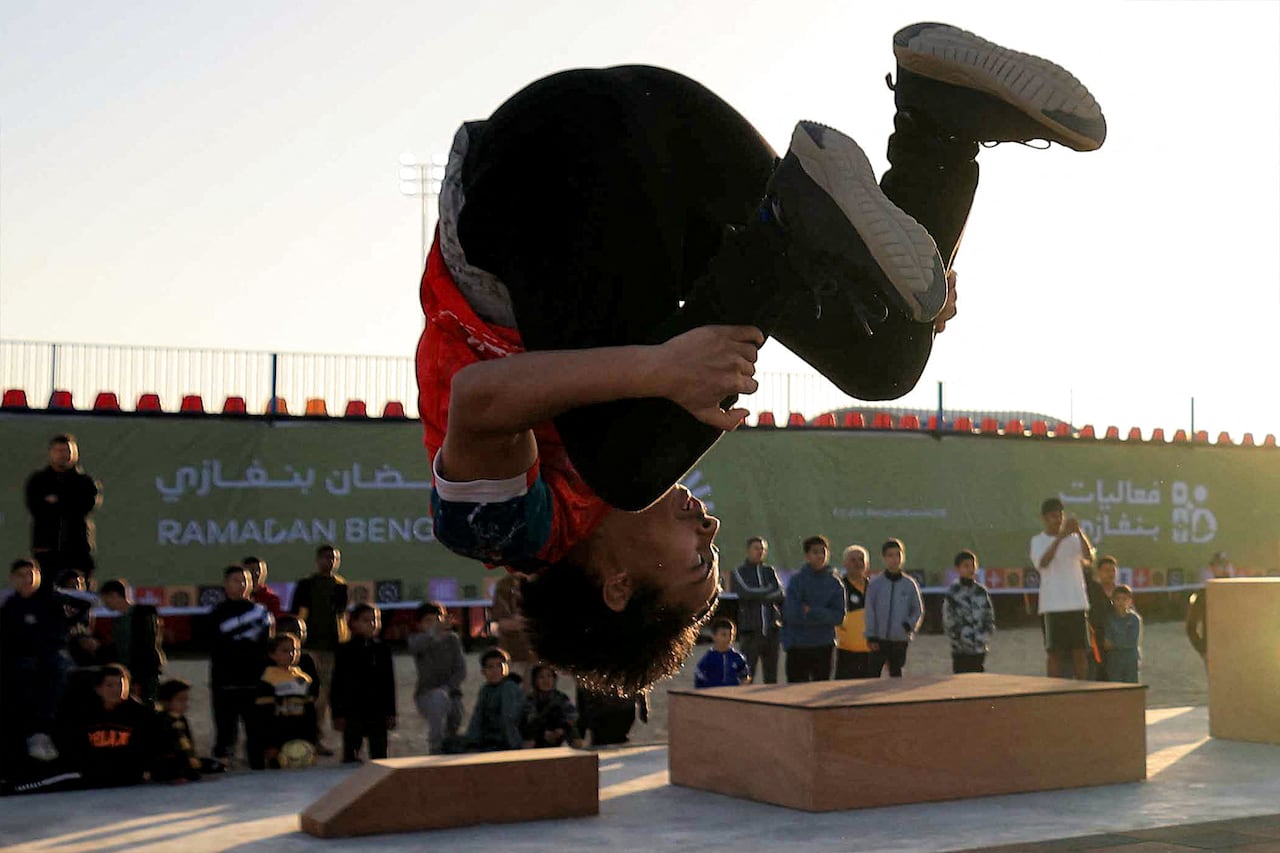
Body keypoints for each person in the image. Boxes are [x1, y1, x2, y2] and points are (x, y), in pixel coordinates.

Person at [417, 27, 1106, 696]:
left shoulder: (513, 535)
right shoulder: (638, 439)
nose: (713, 529)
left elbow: (478, 399)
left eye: (699, 562)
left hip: (538, 170)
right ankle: (938, 121)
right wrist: (903, 286)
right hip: (678, 146)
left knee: (627, 465)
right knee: (885, 356)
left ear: (619, 585)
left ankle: (793, 228)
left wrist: (658, 369)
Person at [0, 558, 69, 768]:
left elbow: (58, 635)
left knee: (53, 667)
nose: (27, 579)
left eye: (31, 574)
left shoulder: (52, 602)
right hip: (18, 658)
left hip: (48, 657)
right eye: (21, 575)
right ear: (13, 579)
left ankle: (42, 732)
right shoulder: (10, 607)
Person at [209, 564, 273, 768]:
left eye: (246, 580)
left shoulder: (261, 613)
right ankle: (223, 767)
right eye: (236, 580)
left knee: (257, 731)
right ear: (226, 585)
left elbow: (265, 646)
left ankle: (257, 767)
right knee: (225, 733)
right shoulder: (215, 614)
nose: (242, 584)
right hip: (225, 683)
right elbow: (213, 646)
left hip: (254, 682)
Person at [291, 544, 348, 755]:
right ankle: (308, 738)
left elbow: (341, 617)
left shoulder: (340, 585)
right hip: (310, 647)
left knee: (324, 696)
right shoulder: (306, 584)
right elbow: (297, 614)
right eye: (326, 557)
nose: (330, 561)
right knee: (310, 695)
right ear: (318, 560)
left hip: (332, 647)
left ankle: (318, 738)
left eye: (334, 558)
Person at [61, 664, 155, 789]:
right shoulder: (83, 714)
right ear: (98, 689)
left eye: (120, 685)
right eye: (110, 685)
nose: (116, 690)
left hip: (128, 777)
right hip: (90, 775)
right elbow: (73, 746)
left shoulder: (140, 714)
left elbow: (149, 746)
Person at [1030, 497, 1093, 679]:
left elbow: (1089, 558)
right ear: (1044, 518)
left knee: (1080, 652)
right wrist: (1059, 539)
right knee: (1053, 653)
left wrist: (1079, 532)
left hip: (1076, 603)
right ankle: (1053, 692)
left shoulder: (1074, 539)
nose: (1057, 520)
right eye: (1052, 516)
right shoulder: (1038, 541)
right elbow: (1043, 562)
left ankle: (1082, 691)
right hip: (1052, 605)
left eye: (1060, 516)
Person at [24, 435, 102, 584]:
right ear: (51, 453)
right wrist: (68, 502)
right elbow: (36, 507)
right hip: (46, 548)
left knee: (79, 590)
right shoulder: (38, 481)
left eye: (66, 451)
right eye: (58, 451)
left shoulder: (85, 482)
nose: (62, 455)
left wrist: (58, 501)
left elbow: (86, 506)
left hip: (77, 548)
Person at [330, 604, 396, 762]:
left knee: (380, 756)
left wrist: (390, 712)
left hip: (377, 711)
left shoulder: (383, 649)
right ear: (353, 623)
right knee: (351, 755)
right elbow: (337, 684)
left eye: (375, 620)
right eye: (366, 620)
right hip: (352, 711)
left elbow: (389, 684)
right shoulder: (344, 650)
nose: (372, 624)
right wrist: (337, 714)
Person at [781, 536, 846, 682]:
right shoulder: (797, 581)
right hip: (797, 646)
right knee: (795, 693)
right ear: (807, 556)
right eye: (815, 552)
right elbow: (792, 614)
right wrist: (823, 616)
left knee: (820, 692)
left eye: (823, 552)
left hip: (824, 645)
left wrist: (811, 611)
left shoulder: (835, 583)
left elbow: (838, 617)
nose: (820, 556)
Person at [408, 601, 466, 754]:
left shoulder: (453, 639)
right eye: (429, 621)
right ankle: (435, 748)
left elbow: (461, 670)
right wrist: (434, 633)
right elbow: (416, 648)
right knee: (438, 700)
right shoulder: (417, 640)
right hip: (426, 695)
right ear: (419, 624)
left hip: (452, 693)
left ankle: (449, 747)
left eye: (437, 619)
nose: (434, 624)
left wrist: (449, 688)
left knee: (455, 718)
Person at [99, 579, 165, 706]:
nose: (105, 604)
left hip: (143, 675)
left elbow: (146, 647)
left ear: (114, 595)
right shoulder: (118, 622)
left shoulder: (143, 615)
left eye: (106, 599)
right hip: (128, 675)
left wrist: (138, 679)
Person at [255, 633, 318, 768]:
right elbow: (263, 716)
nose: (291, 654)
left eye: (295, 650)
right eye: (285, 650)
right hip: (278, 738)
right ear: (272, 654)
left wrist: (312, 739)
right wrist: (269, 743)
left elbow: (310, 713)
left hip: (301, 737)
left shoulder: (304, 678)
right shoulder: (268, 679)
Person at [864, 539, 924, 677]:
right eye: (890, 555)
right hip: (879, 639)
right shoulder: (875, 584)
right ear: (884, 558)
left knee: (896, 676)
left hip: (899, 639)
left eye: (898, 555)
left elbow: (918, 609)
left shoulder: (909, 584)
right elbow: (870, 611)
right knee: (872, 675)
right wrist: (871, 635)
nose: (894, 559)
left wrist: (909, 625)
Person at [450, 648, 524, 753]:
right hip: (488, 738)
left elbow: (509, 719)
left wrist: (515, 747)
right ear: (483, 671)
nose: (495, 670)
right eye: (490, 667)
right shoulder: (486, 690)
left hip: (505, 741)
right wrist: (472, 741)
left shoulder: (509, 687)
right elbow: (477, 717)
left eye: (499, 666)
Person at [731, 537, 783, 684]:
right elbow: (745, 592)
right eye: (756, 548)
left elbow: (779, 593)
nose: (760, 552)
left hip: (772, 633)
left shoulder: (769, 571)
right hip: (750, 633)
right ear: (748, 550)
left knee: (771, 678)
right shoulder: (739, 572)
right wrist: (767, 593)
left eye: (762, 549)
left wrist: (760, 595)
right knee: (747, 677)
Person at [152, 678, 223, 783]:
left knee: (214, 765)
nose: (185, 704)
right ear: (166, 701)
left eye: (186, 700)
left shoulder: (181, 719)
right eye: (180, 700)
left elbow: (188, 744)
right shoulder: (161, 721)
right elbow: (165, 749)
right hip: (170, 762)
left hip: (185, 760)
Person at [942, 550, 995, 674]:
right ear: (958, 569)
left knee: (978, 682)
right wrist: (956, 638)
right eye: (966, 566)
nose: (970, 569)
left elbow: (989, 614)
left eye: (973, 565)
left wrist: (986, 634)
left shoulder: (981, 591)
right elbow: (948, 618)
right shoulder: (953, 593)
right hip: (960, 648)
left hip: (979, 646)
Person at [522, 664, 584, 748]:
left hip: (560, 731)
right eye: (541, 677)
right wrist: (544, 732)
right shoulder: (531, 699)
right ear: (535, 681)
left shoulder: (560, 697)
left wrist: (562, 729)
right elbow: (530, 719)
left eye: (549, 676)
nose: (546, 680)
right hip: (539, 734)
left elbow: (572, 715)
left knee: (574, 732)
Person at [491, 572, 535, 689]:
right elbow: (503, 623)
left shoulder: (539, 582)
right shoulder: (504, 586)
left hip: (536, 656)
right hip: (513, 654)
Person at [834, 545, 873, 679]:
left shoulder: (875, 589)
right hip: (845, 653)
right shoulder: (838, 587)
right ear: (845, 563)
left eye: (861, 560)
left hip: (871, 652)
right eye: (853, 560)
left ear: (867, 564)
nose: (857, 563)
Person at [1186, 553, 1233, 661]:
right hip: (1214, 650)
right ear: (1212, 568)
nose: (1224, 569)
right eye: (1220, 566)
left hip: (1236, 650)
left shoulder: (1239, 593)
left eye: (1226, 565)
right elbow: (1191, 626)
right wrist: (1202, 649)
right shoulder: (1204, 595)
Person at [694, 617, 750, 688]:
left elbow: (745, 677)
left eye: (730, 635)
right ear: (714, 636)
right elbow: (699, 679)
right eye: (723, 635)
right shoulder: (708, 659)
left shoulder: (737, 657)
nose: (728, 638)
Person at [1086, 555, 1118, 681]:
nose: (1110, 574)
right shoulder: (1092, 590)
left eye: (1113, 570)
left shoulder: (1120, 593)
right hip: (1095, 639)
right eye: (1106, 570)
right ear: (1099, 572)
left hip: (1115, 641)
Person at [1103, 585, 1142, 684]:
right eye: (1118, 599)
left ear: (1130, 601)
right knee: (1116, 689)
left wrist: (1115, 644)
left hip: (1130, 660)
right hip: (1114, 661)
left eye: (1124, 599)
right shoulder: (1109, 619)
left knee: (1131, 688)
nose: (1121, 602)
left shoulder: (1134, 619)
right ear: (1113, 601)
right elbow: (1107, 643)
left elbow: (1132, 641)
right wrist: (1118, 643)